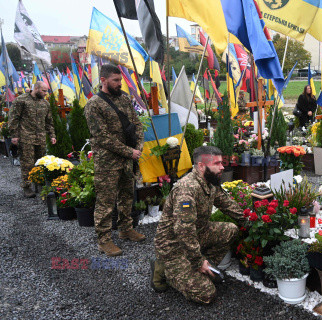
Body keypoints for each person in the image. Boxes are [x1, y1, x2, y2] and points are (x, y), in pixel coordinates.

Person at [151, 146, 247, 304]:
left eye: (222, 163)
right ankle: (163, 269)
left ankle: (201, 267)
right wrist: (197, 261)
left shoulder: (209, 181)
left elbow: (226, 204)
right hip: (173, 247)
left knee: (230, 230)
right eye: (217, 163)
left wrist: (250, 221)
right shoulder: (187, 190)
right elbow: (184, 231)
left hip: (196, 235)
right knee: (206, 294)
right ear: (201, 166)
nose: (222, 167)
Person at [84, 64, 145, 257]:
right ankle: (104, 240)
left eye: (120, 80)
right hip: (107, 162)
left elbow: (136, 123)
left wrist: (140, 146)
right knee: (106, 201)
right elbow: (101, 137)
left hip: (128, 159)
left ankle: (125, 229)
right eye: (116, 80)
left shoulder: (125, 99)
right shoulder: (94, 104)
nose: (120, 83)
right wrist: (130, 152)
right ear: (103, 80)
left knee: (127, 195)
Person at [8, 81, 56, 198]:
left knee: (40, 162)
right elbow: (14, 118)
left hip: (40, 138)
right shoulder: (21, 100)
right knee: (27, 164)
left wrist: (52, 135)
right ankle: (27, 187)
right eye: (44, 91)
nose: (46, 93)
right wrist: (14, 135)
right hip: (26, 137)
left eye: (46, 91)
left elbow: (49, 121)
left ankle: (39, 183)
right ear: (36, 88)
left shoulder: (45, 104)